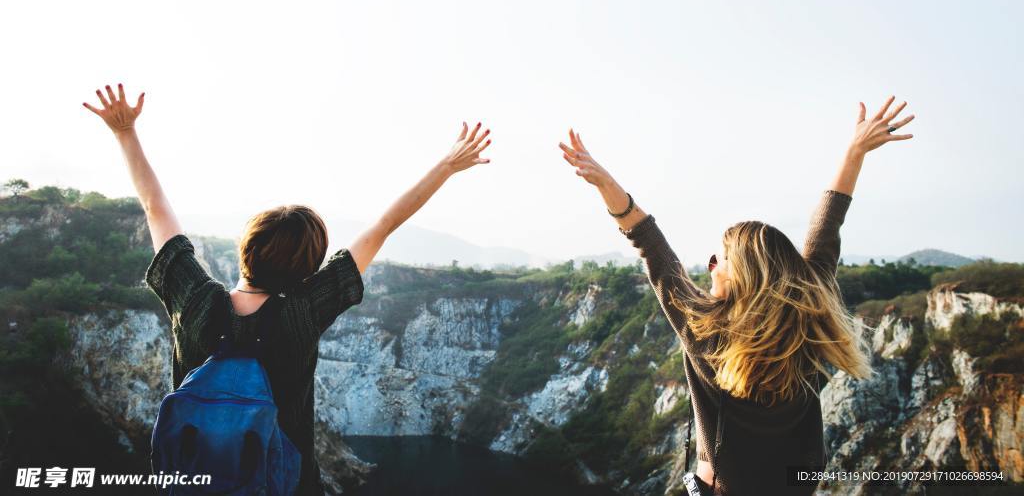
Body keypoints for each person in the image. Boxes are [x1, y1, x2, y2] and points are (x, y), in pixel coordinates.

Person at [83, 83, 493, 494]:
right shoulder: (304, 310)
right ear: (310, 267)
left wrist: (125, 133)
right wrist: (447, 166)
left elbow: (155, 208)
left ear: (246, 248)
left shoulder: (195, 301)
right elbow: (384, 225)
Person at [558, 96, 915, 495]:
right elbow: (828, 222)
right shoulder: (807, 313)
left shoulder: (703, 329)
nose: (710, 265)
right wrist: (854, 151)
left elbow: (650, 244)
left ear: (743, 274)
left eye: (719, 258)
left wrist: (607, 184)